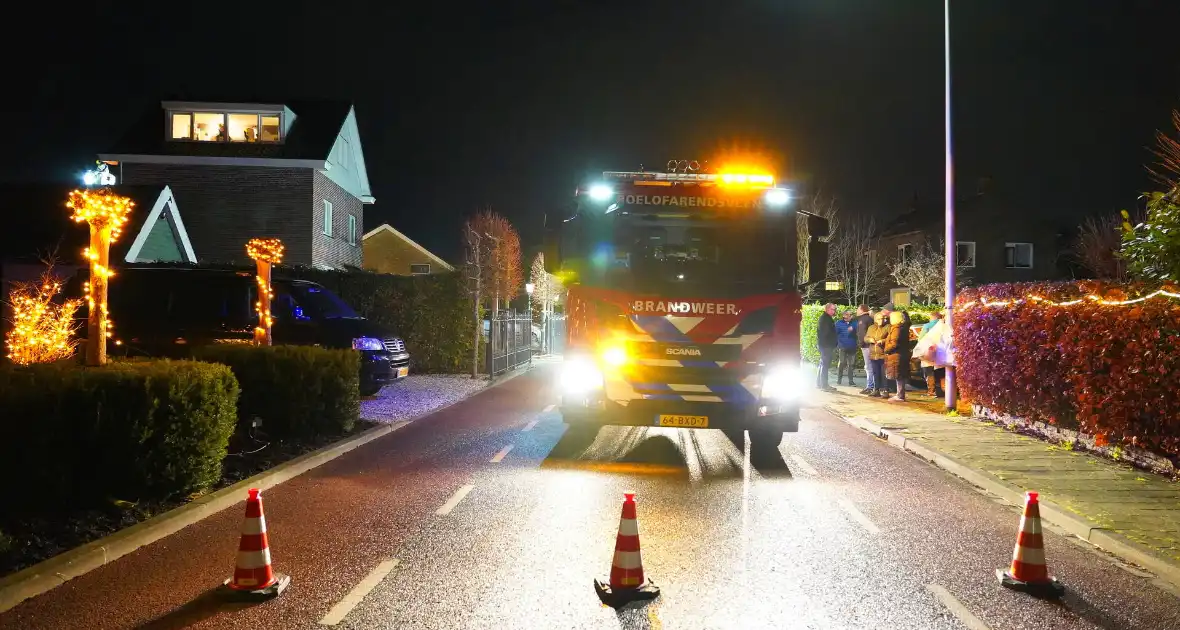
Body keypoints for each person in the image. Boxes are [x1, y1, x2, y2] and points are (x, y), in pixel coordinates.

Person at [884, 309, 912, 401]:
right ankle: (900, 394)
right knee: (900, 374)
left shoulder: (896, 329)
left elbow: (894, 343)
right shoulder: (903, 327)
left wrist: (887, 349)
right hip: (902, 354)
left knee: (898, 375)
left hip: (896, 355)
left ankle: (900, 395)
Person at [917, 311, 946, 397]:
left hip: (929, 351)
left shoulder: (927, 326)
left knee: (929, 371)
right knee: (941, 371)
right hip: (941, 351)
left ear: (932, 317)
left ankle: (931, 391)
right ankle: (942, 391)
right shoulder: (944, 326)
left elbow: (921, 339)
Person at [815, 303, 838, 391]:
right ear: (827, 309)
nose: (834, 311)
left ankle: (819, 384)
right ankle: (824, 385)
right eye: (832, 309)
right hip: (826, 346)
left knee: (822, 364)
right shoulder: (825, 319)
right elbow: (825, 333)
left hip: (824, 345)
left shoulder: (825, 318)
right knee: (825, 365)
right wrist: (832, 342)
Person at [835, 309, 859, 386]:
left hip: (852, 347)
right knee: (842, 363)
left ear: (851, 316)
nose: (846, 316)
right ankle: (839, 379)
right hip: (842, 347)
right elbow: (835, 333)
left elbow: (858, 328)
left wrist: (853, 328)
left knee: (851, 365)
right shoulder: (839, 323)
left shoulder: (855, 323)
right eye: (845, 315)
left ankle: (851, 381)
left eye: (848, 315)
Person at [855, 305, 875, 394]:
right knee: (869, 366)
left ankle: (870, 386)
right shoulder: (866, 319)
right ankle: (871, 386)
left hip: (867, 346)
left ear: (862, 310)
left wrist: (862, 344)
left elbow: (862, 333)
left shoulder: (864, 319)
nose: (856, 310)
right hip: (867, 345)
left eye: (858, 309)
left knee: (869, 367)